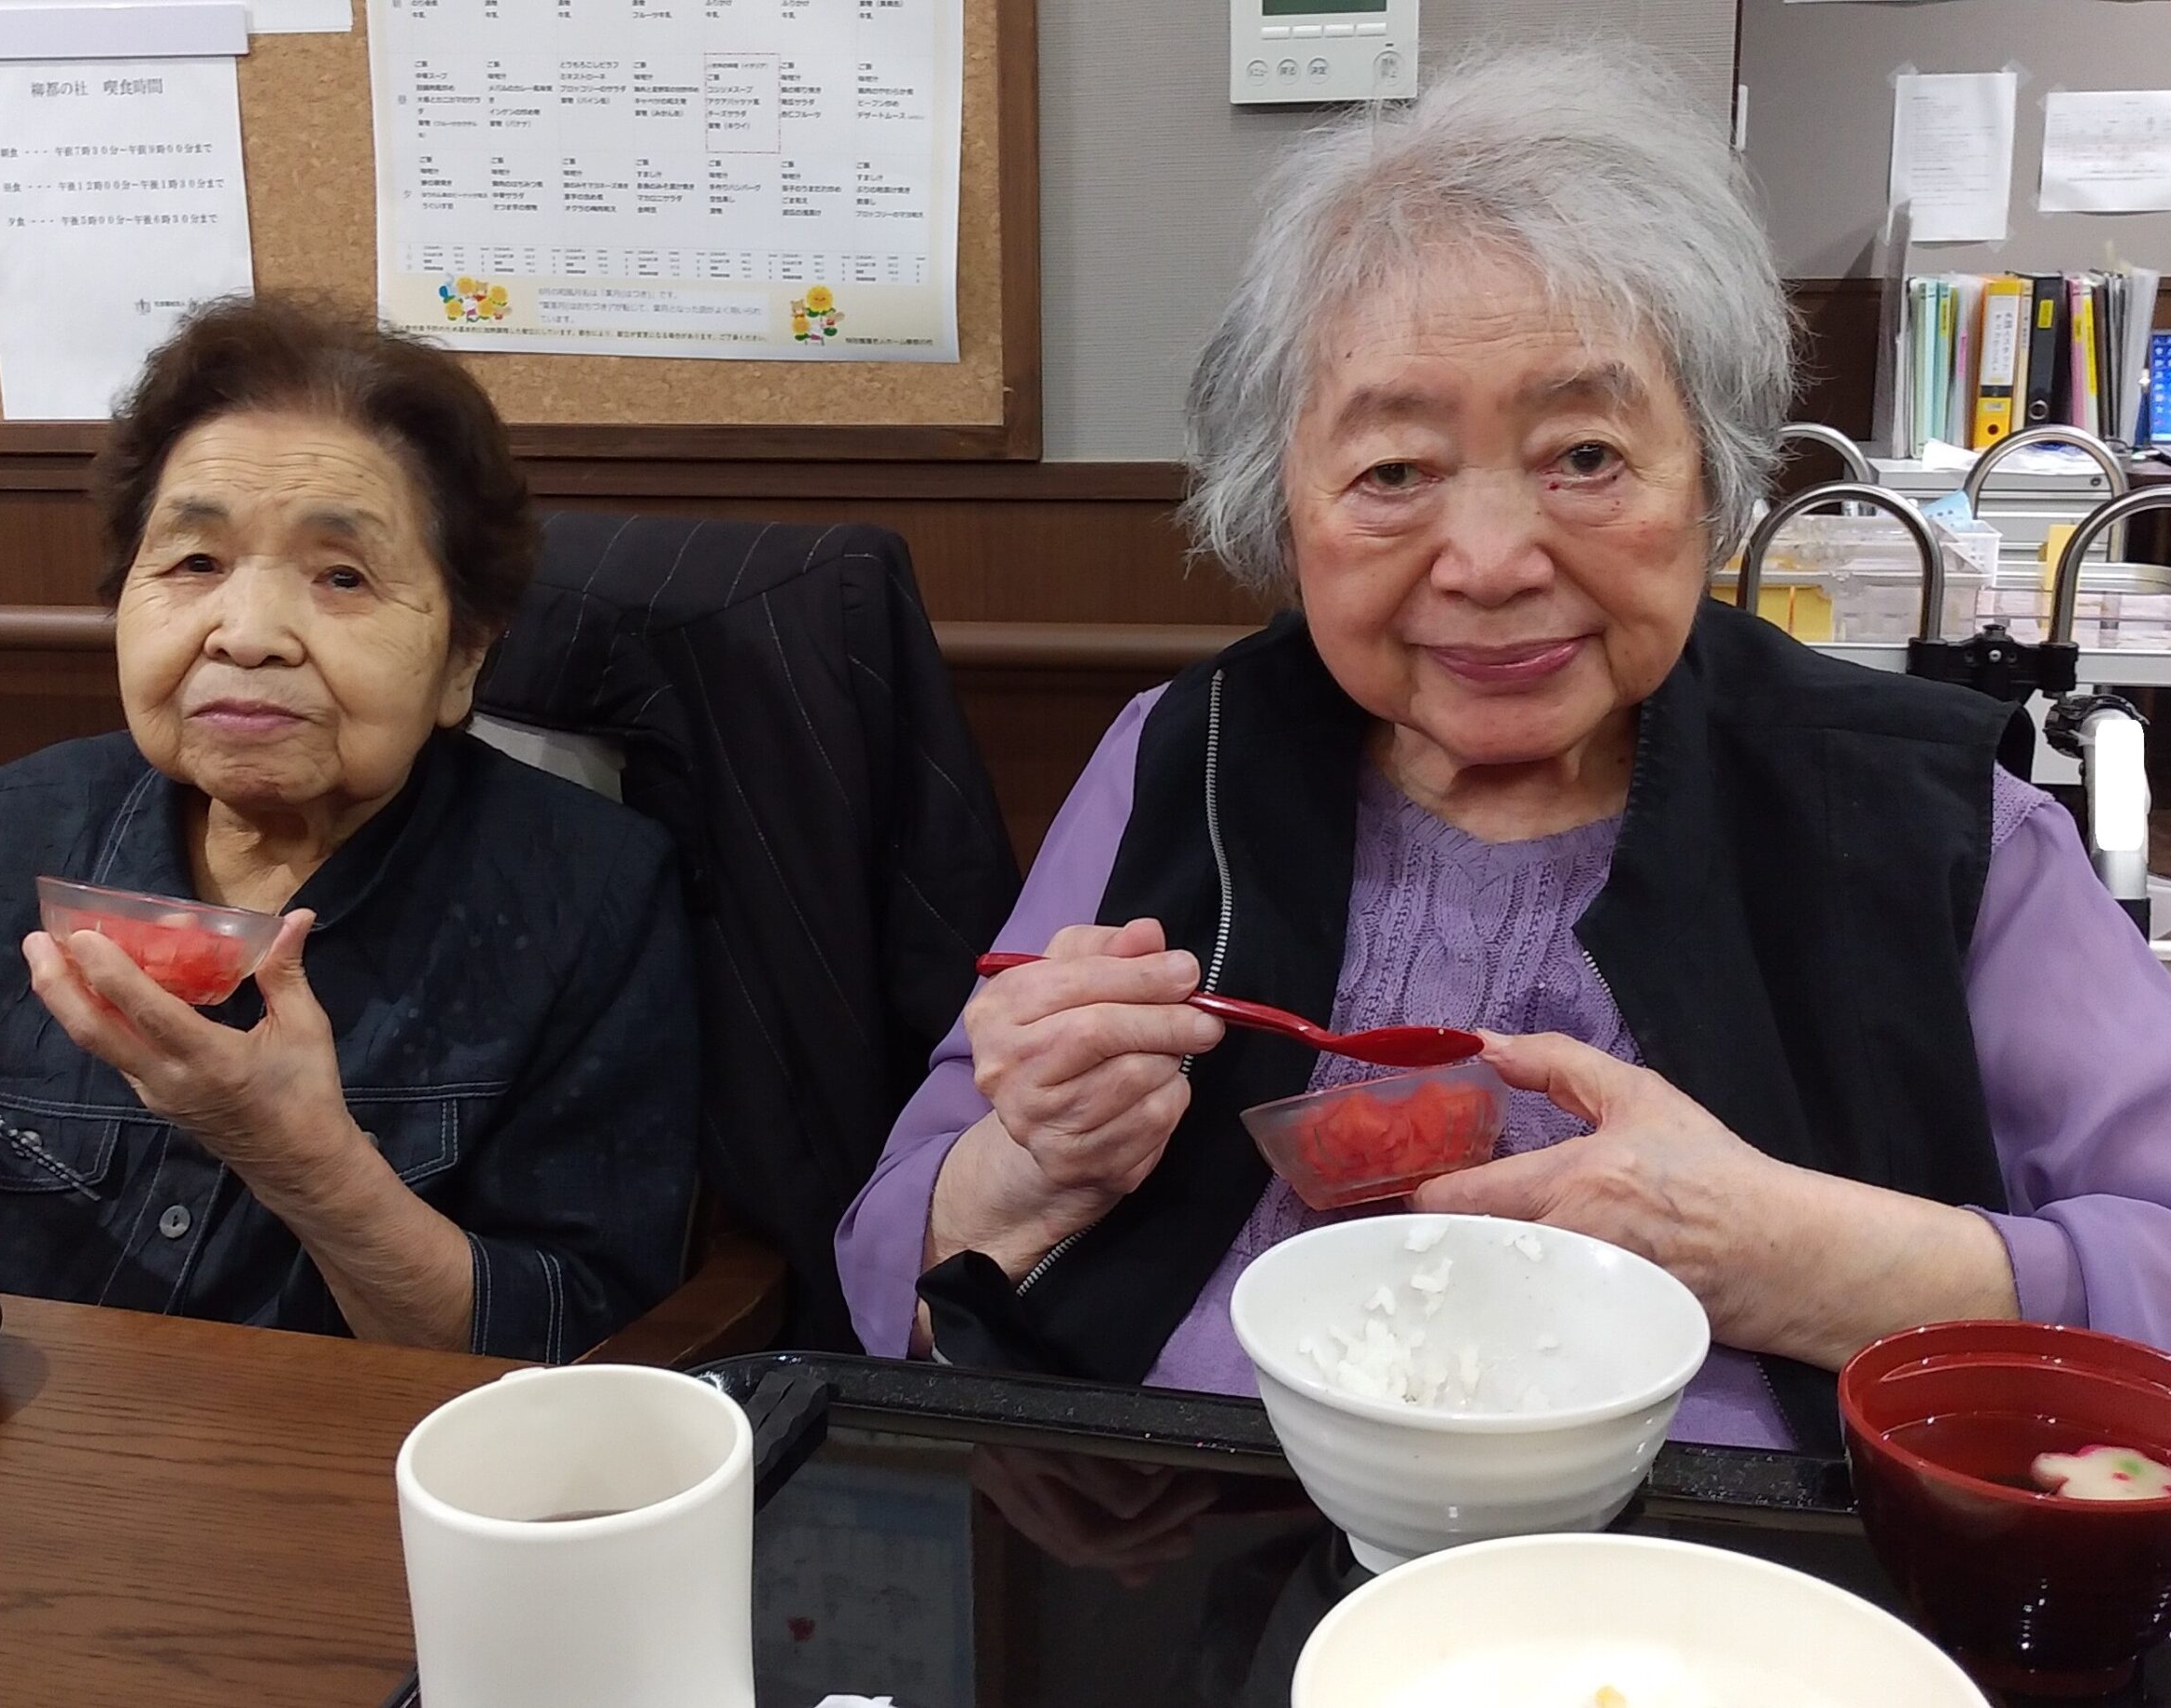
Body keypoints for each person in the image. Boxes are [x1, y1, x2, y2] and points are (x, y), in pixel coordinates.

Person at [837, 47, 2171, 1452]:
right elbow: (890, 1279)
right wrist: (1037, 1162)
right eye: (1393, 471)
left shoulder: (1928, 819)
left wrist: (1805, 1258)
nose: (1487, 561)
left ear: (1711, 474)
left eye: (1583, 455)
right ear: (1279, 508)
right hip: (1201, 1565)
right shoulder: (1185, 757)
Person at [0, 297, 698, 1362]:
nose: (249, 634)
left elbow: (583, 1353)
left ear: (462, 657)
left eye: (341, 576)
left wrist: (306, 1161)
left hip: (341, 1491)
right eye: (195, 564)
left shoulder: (589, 895)